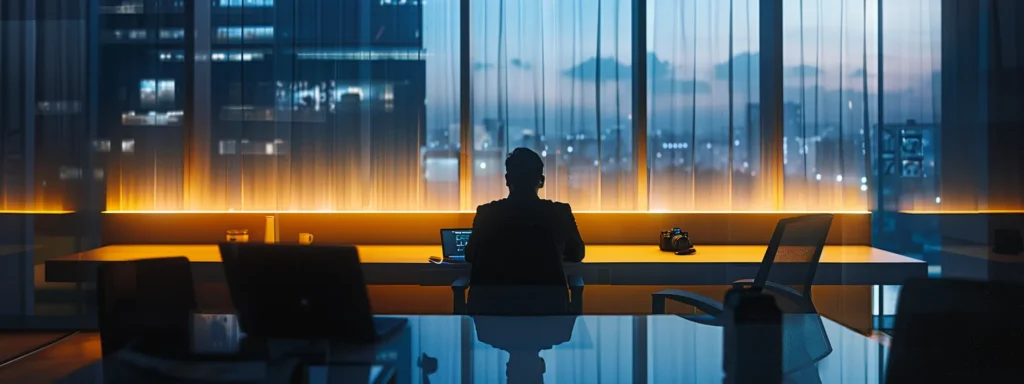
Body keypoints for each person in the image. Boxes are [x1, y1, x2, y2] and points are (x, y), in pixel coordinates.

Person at [464, 147, 585, 264]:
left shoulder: (486, 214)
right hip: (545, 284)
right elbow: (577, 254)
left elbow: (470, 255)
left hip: (498, 285)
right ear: (541, 181)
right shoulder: (560, 213)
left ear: (507, 179)